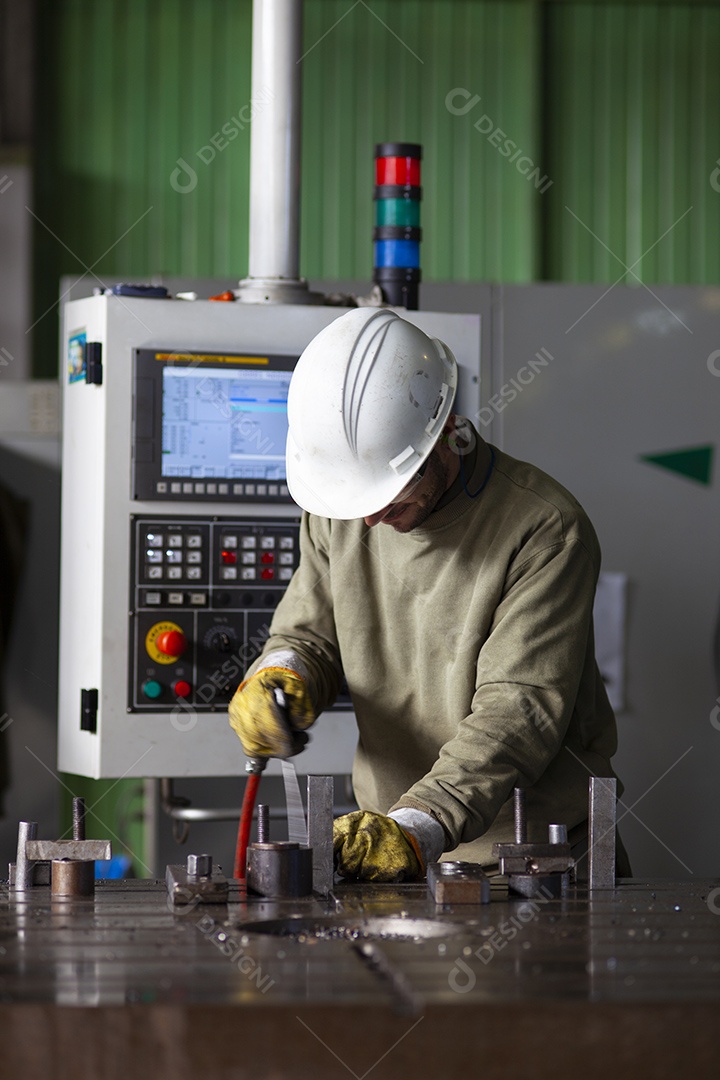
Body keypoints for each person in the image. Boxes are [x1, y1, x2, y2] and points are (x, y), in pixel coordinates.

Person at [229, 307, 629, 882]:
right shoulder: (342, 511)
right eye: (356, 502)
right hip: (389, 851)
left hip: (533, 863)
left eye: (390, 494)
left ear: (447, 432)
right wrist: (282, 672)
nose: (368, 521)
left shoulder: (543, 528)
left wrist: (419, 826)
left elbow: (516, 711)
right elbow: (308, 631)